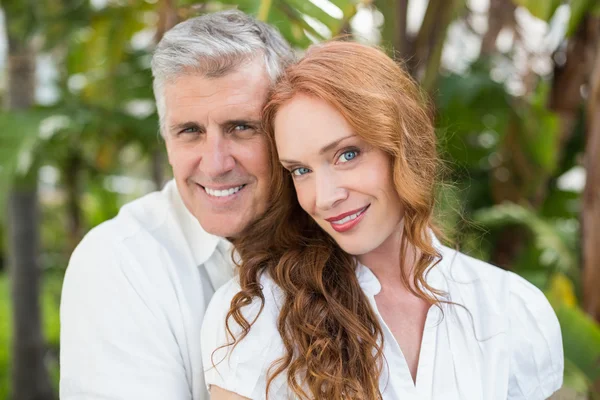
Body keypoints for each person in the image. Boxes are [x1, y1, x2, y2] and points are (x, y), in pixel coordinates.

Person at [201, 41, 564, 400]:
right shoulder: (260, 312)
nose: (324, 197)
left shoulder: (510, 307)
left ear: (403, 144)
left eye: (347, 154)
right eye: (300, 170)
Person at [59, 10, 294, 400]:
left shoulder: (341, 228)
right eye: (190, 132)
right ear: (166, 140)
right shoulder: (119, 264)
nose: (216, 163)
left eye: (241, 127)